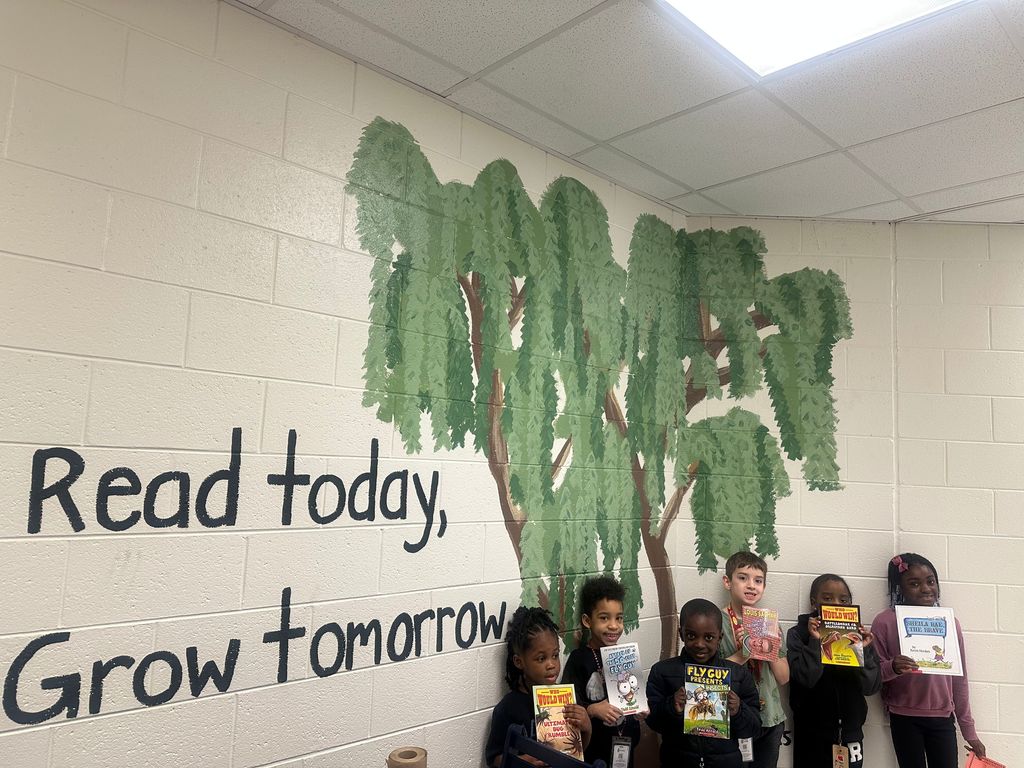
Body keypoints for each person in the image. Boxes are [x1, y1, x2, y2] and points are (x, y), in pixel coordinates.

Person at [871, 553, 986, 768]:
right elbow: (873, 673)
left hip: (942, 717)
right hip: (903, 716)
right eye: (914, 583)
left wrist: (969, 731)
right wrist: (893, 667)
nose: (925, 589)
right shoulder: (884, 622)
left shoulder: (950, 623)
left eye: (930, 581)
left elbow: (960, 681)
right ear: (899, 587)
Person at [647, 598, 761, 767]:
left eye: (708, 637)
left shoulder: (738, 674)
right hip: (678, 761)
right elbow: (653, 722)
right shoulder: (662, 672)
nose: (700, 644)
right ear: (681, 634)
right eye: (691, 636)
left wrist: (738, 711)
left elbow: (754, 728)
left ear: (720, 637)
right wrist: (671, 707)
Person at [788, 573, 881, 767]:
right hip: (811, 731)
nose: (837, 604)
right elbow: (805, 678)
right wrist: (815, 641)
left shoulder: (857, 637)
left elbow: (871, 687)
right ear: (814, 603)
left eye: (844, 600)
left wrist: (863, 650)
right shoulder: (799, 634)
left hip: (850, 731)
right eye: (827, 598)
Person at [484, 605, 591, 767]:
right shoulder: (508, 708)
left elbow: (577, 752)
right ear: (519, 662)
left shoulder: (568, 700)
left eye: (555, 655)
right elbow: (493, 759)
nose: (551, 665)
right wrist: (519, 762)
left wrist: (587, 728)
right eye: (541, 659)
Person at [561, 576, 643, 767]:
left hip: (624, 750)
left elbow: (631, 701)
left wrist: (639, 711)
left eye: (619, 618)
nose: (614, 625)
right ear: (587, 621)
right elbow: (567, 709)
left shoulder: (625, 657)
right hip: (592, 754)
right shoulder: (579, 659)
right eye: (604, 618)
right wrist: (593, 709)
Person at [718, 551, 789, 768]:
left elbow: (784, 678)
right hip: (732, 719)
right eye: (742, 578)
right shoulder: (716, 622)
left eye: (758, 581)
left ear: (764, 587)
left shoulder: (771, 624)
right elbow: (712, 677)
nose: (751, 585)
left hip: (770, 719)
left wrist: (771, 648)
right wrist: (743, 653)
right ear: (727, 582)